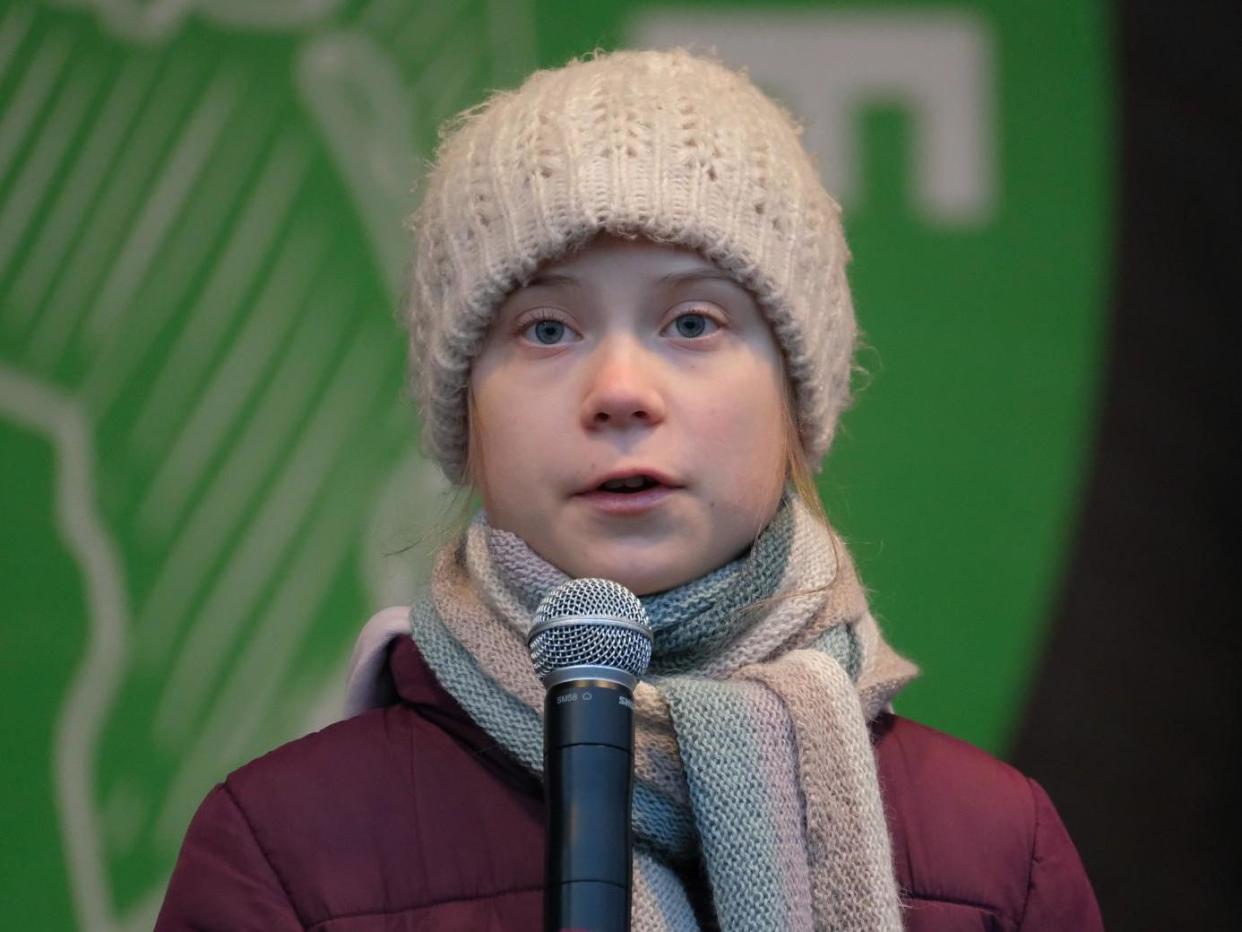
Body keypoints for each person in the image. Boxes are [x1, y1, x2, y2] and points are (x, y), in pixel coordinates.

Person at [156, 49, 1103, 931]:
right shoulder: (283, 850)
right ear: (464, 413)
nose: (618, 392)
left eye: (693, 321)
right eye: (545, 330)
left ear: (794, 393)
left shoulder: (995, 853)